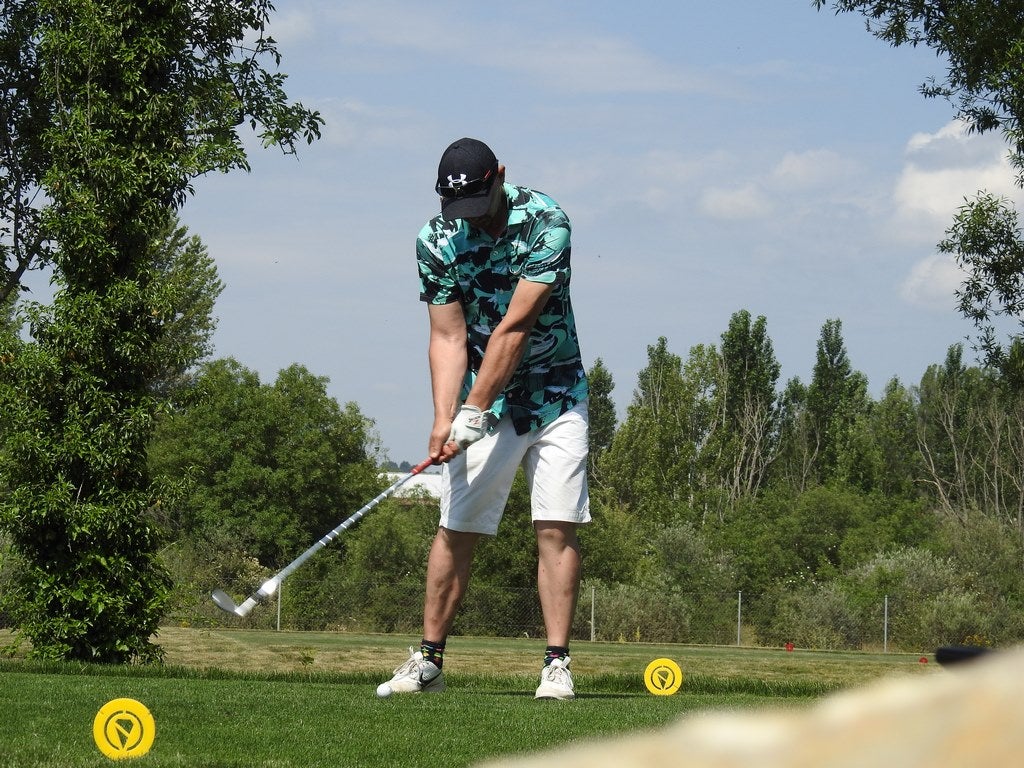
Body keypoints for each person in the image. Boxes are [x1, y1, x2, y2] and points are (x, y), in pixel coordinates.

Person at [378, 138, 590, 700]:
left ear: (500, 176)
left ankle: (556, 665)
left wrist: (473, 411)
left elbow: (515, 330)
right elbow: (447, 335)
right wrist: (444, 418)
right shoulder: (436, 240)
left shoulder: (547, 221)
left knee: (555, 523)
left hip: (555, 394)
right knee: (457, 527)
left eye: (478, 202)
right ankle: (428, 662)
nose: (470, 220)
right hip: (481, 404)